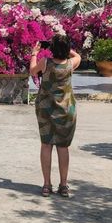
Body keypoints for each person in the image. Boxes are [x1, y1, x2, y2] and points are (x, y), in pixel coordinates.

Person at [29, 35, 81, 198]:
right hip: (66, 110)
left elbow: (32, 71)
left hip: (45, 109)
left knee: (46, 145)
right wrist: (66, 49)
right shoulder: (71, 63)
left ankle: (46, 185)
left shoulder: (45, 62)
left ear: (51, 48)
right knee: (62, 147)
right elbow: (77, 55)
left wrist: (34, 53)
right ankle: (64, 186)